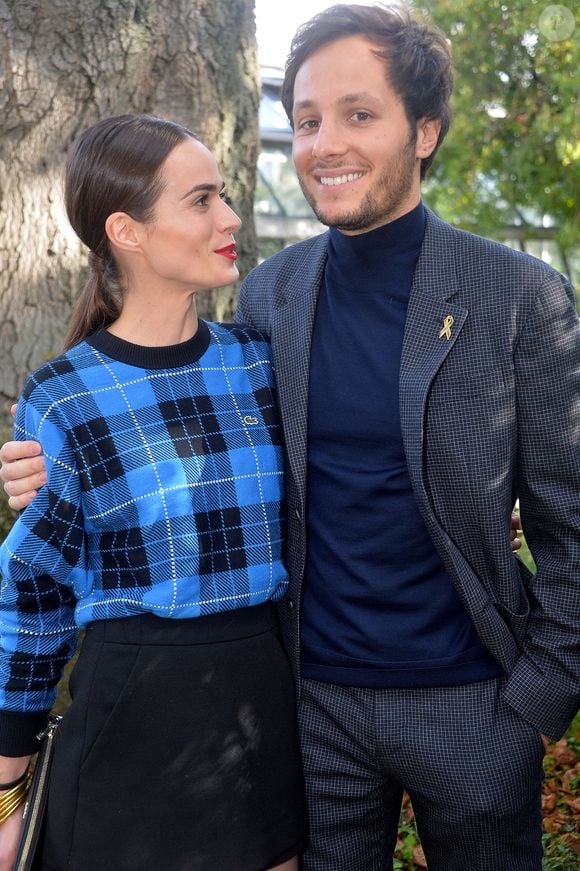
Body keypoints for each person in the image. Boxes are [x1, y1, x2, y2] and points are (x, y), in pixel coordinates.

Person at [1, 5, 578, 870]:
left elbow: (571, 523)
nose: (324, 143)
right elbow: (181, 415)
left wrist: (536, 704)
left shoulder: (519, 295)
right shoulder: (272, 295)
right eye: (306, 121)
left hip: (472, 703)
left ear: (424, 132)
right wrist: (54, 459)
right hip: (306, 708)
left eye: (359, 114)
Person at [0, 113, 307, 871]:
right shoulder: (63, 395)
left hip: (261, 711)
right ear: (128, 232)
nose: (230, 217)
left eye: (224, 196)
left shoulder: (260, 364)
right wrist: (6, 787)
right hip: (127, 730)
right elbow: (34, 594)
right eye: (201, 200)